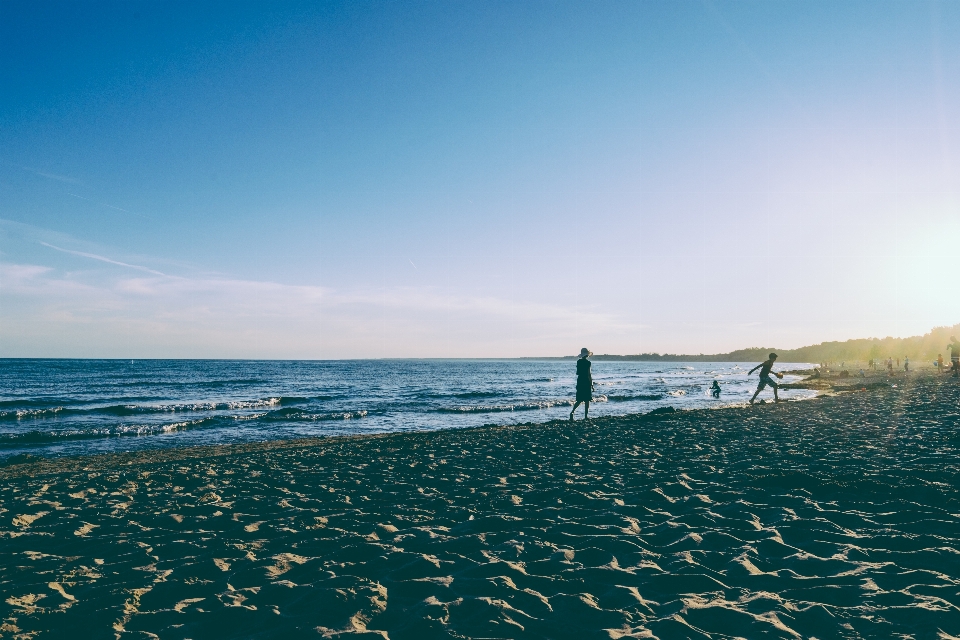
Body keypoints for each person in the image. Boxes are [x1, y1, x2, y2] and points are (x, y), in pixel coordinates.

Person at [570, 348, 593, 420]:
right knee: (587, 399)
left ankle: (572, 412)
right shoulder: (588, 363)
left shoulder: (578, 362)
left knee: (579, 399)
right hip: (586, 380)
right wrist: (591, 384)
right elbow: (589, 374)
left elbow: (577, 373)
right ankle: (586, 416)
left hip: (580, 380)